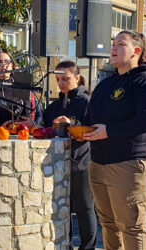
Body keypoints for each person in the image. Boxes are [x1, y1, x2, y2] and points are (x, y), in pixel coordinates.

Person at [83, 31, 146, 249]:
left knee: (131, 226)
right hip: (98, 162)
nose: (114, 48)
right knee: (108, 224)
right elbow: (90, 118)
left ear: (136, 51)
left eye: (121, 44)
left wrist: (109, 131)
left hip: (130, 163)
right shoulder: (105, 85)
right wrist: (73, 125)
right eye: (113, 43)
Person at [43, 61, 97, 250]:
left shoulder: (87, 101)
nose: (61, 83)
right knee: (62, 208)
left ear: (77, 78)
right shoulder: (55, 105)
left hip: (82, 161)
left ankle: (88, 247)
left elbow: (92, 127)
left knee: (84, 209)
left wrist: (71, 122)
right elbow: (45, 128)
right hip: (58, 164)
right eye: (58, 79)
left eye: (65, 78)